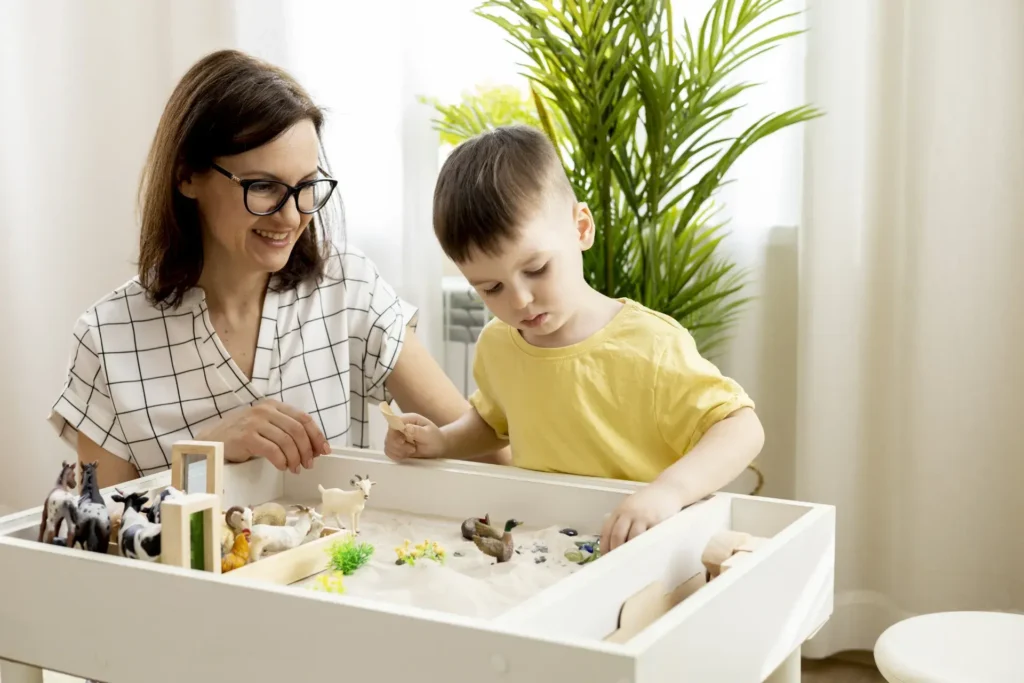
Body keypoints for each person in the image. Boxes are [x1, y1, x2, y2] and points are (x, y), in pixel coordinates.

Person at [48, 49, 507, 490]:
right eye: (263, 186)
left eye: (306, 186)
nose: (291, 218)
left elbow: (488, 456)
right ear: (187, 176)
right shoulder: (108, 337)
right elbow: (103, 536)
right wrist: (208, 450)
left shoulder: (347, 286)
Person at [383, 124, 765, 552]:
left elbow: (741, 427)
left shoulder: (650, 343)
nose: (521, 300)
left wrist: (668, 491)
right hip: (544, 547)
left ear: (581, 227)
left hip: (641, 547)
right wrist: (444, 440)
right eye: (491, 289)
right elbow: (495, 422)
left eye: (537, 268)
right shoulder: (499, 344)